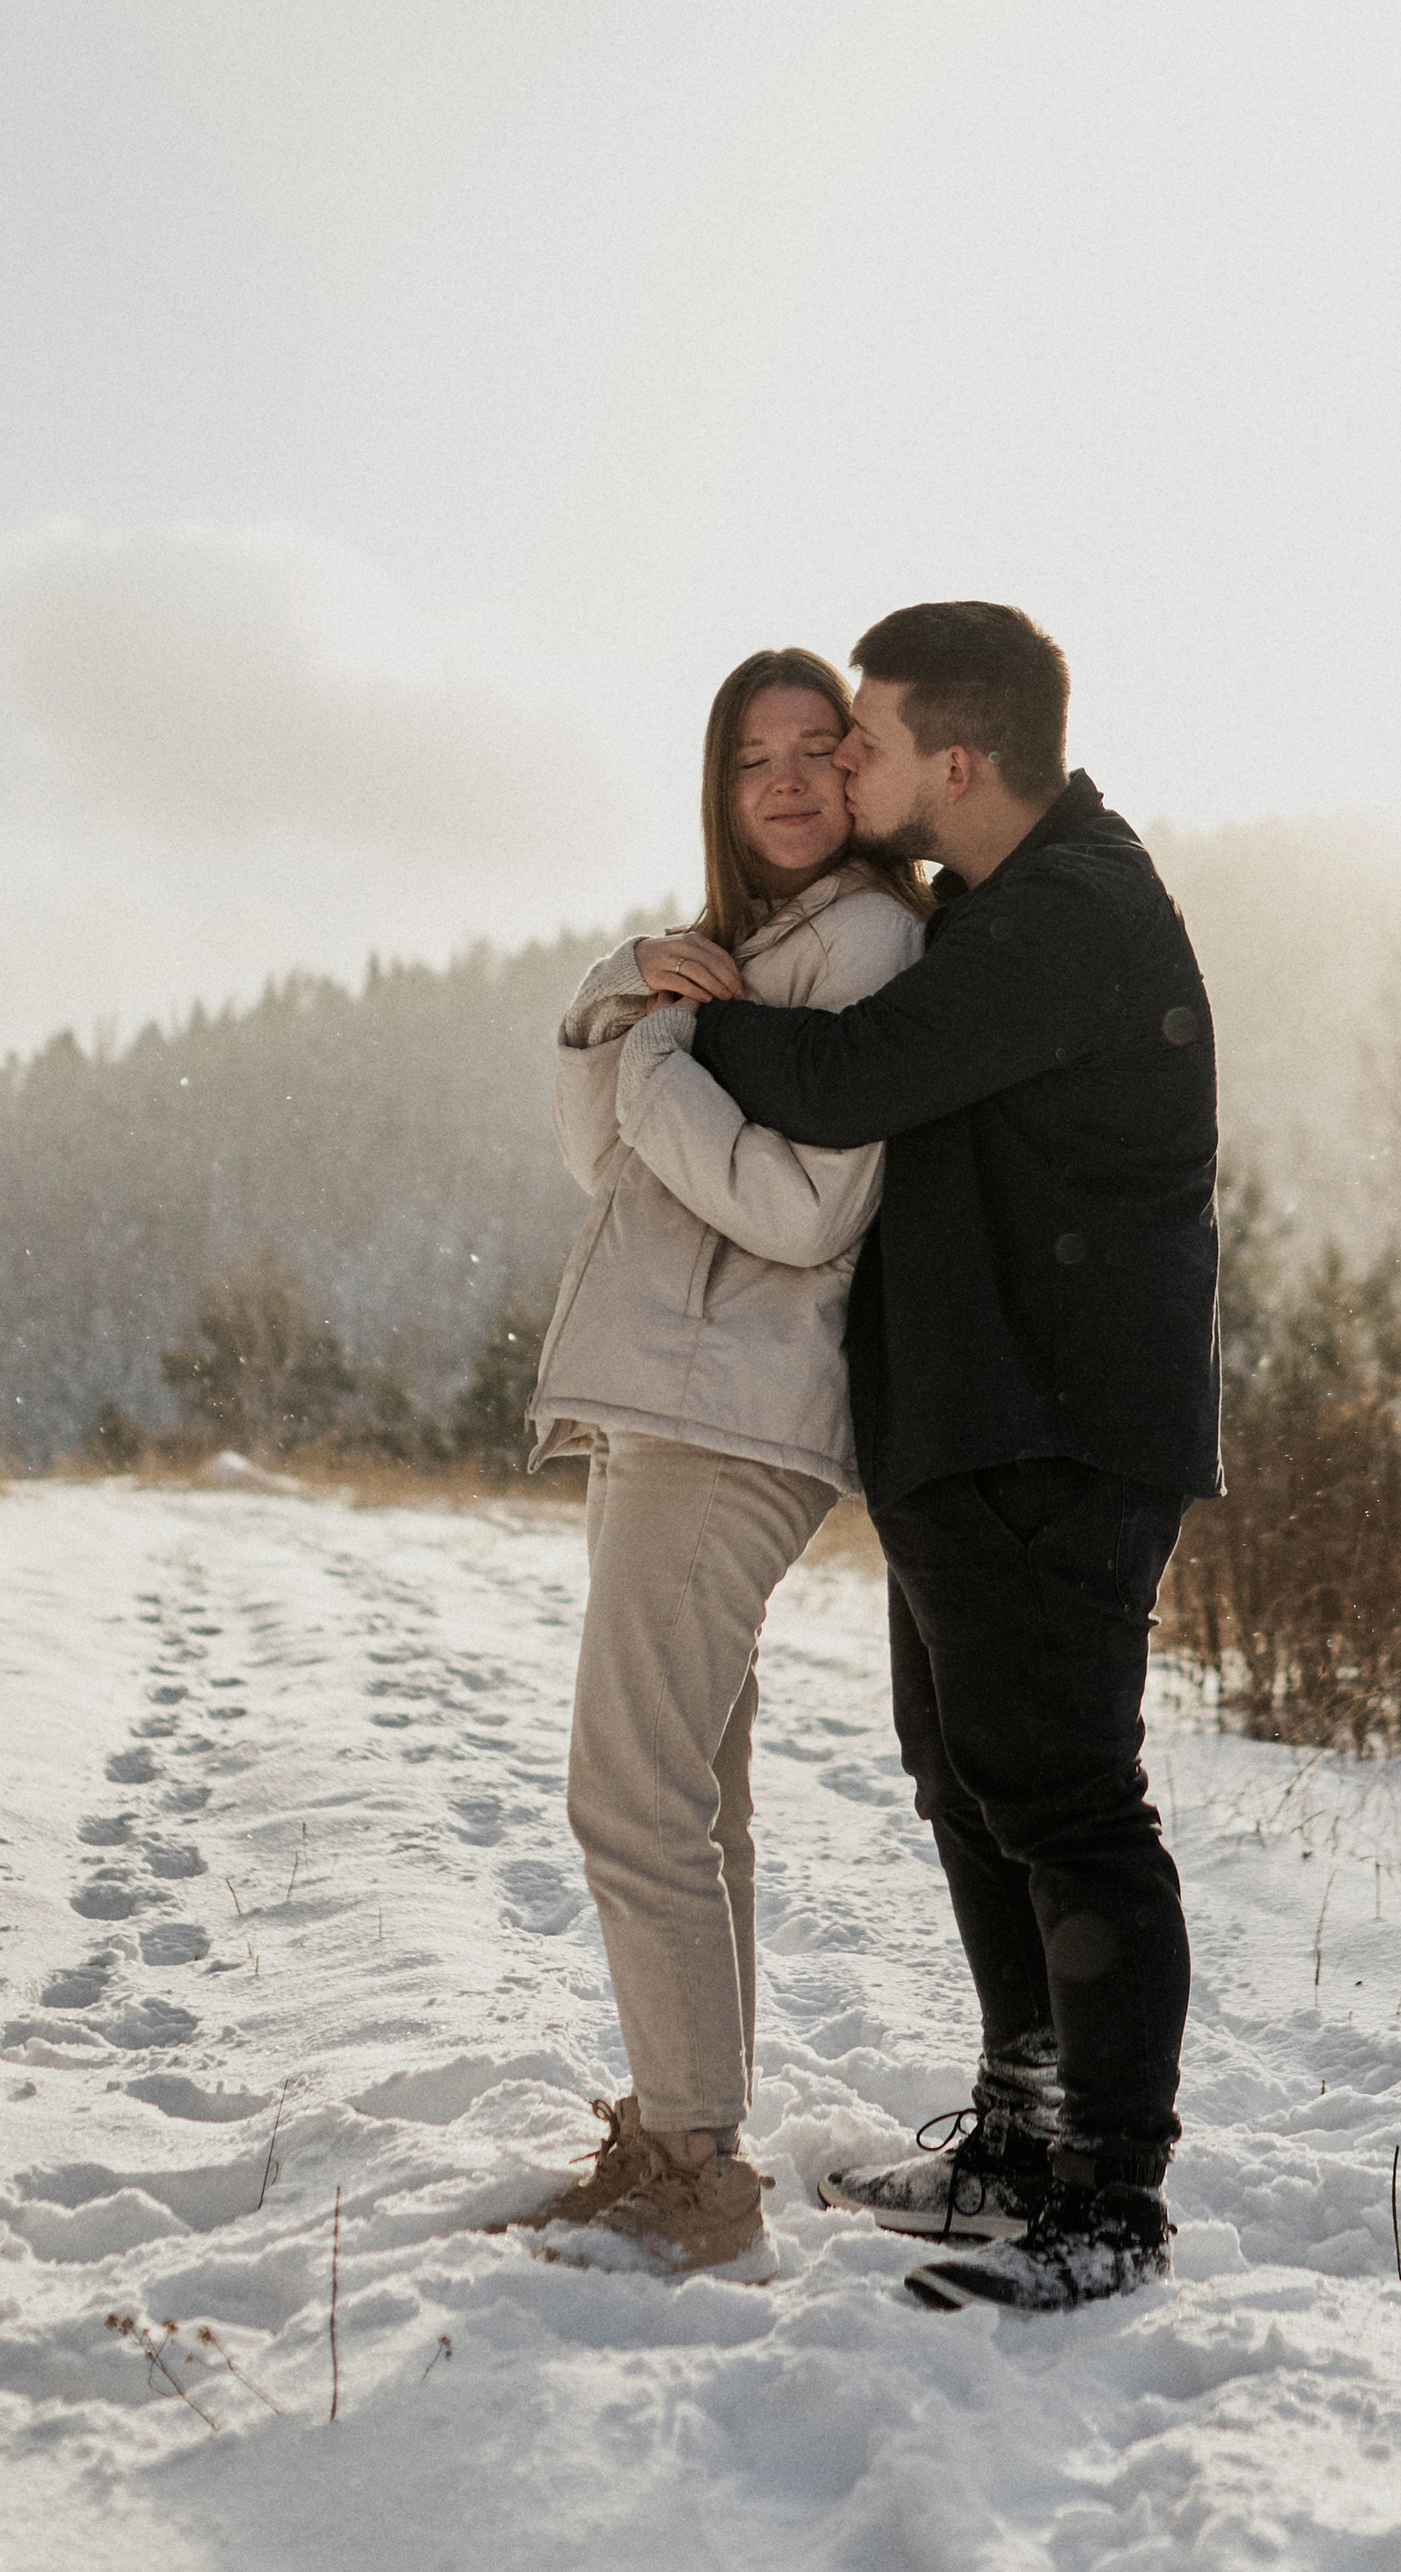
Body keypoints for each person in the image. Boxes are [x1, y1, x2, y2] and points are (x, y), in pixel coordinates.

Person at [656, 600, 1220, 2311]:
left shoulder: (1075, 913)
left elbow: (849, 1081)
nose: (845, 763)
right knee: (970, 1776)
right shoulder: (1000, 906)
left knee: (1066, 1800)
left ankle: (1110, 2197)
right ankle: (1025, 2126)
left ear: (953, 762)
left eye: (871, 743)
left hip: (1060, 1430)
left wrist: (689, 1013)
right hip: (978, 1424)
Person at [511, 649, 927, 2276]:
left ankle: (690, 2168)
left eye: (819, 749)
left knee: (628, 1793)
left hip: (730, 1408)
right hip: (668, 1398)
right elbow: (596, 1154)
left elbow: (811, 1207)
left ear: (860, 772)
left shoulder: (870, 943)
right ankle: (691, 2132)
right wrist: (617, 998)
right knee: (694, 1796)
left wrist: (666, 1060)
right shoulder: (745, 953)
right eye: (753, 757)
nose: (788, 780)